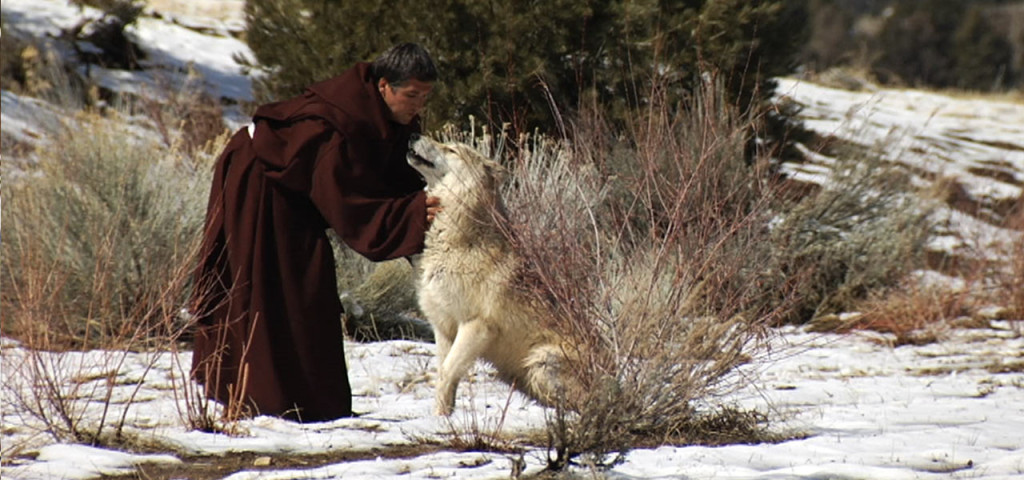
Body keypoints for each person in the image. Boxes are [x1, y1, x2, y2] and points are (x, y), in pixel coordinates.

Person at [190, 43, 441, 422]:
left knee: (303, 286)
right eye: (412, 95)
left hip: (290, 189)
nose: (418, 105)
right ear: (384, 86)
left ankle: (301, 402)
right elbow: (350, 202)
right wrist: (413, 212)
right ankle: (264, 399)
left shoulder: (382, 114)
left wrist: (423, 197)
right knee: (277, 286)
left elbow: (385, 173)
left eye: (425, 96)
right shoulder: (337, 125)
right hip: (258, 183)